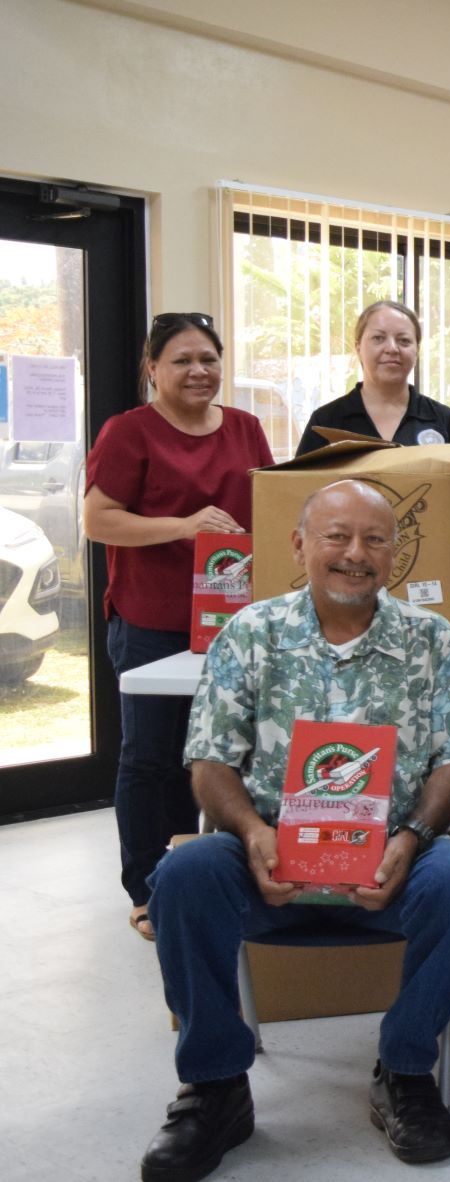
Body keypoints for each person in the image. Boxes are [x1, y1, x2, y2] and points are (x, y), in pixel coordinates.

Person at [138, 480, 450, 1179]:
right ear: (299, 545)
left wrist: (410, 837)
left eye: (374, 539)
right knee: (182, 875)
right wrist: (250, 832)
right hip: (267, 863)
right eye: (337, 536)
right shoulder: (252, 633)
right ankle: (215, 1088)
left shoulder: (433, 640)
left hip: (393, 864)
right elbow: (209, 762)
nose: (355, 553)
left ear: (394, 552)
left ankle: (404, 1071)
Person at [83, 312, 275, 940]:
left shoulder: (246, 427)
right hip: (152, 623)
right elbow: (98, 520)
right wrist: (184, 526)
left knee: (224, 755)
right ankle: (149, 889)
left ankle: (209, 878)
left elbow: (269, 509)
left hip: (234, 626)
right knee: (153, 759)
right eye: (182, 361)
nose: (198, 371)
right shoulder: (128, 431)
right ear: (152, 368)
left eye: (208, 359)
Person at [294, 300, 450, 455]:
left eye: (404, 340)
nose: (392, 348)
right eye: (378, 338)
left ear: (417, 350)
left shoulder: (444, 420)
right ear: (358, 347)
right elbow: (299, 481)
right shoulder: (326, 422)